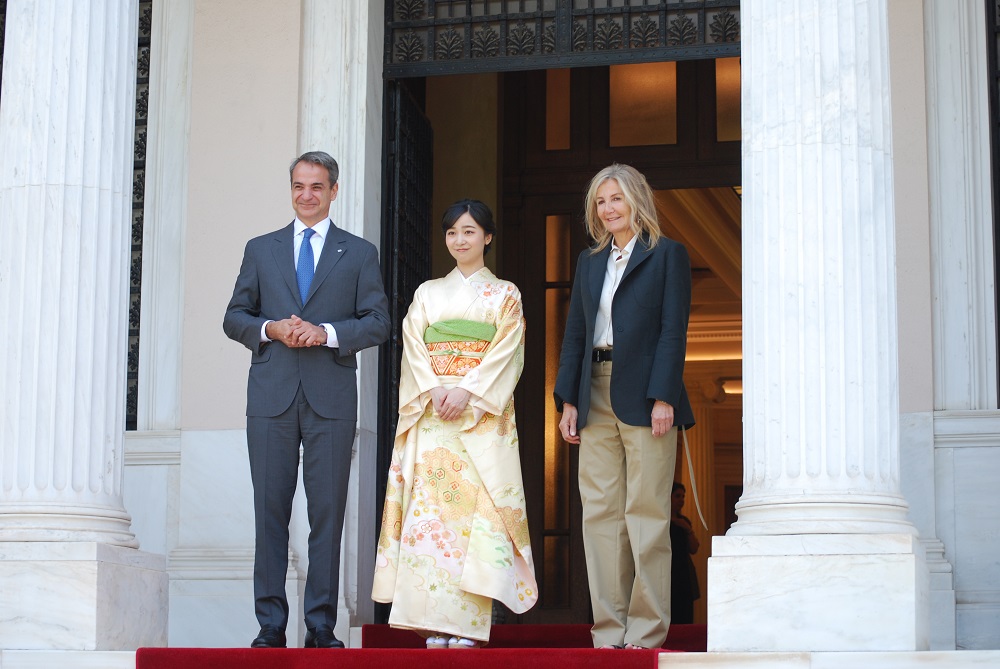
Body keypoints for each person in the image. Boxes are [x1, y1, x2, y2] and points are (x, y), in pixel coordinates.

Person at [223, 151, 391, 649]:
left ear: (333, 191)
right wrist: (270, 328)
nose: (306, 195)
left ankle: (321, 626)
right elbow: (234, 316)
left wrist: (327, 333)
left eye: (316, 186)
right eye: (298, 186)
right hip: (271, 398)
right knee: (270, 512)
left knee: (328, 515)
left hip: (330, 400)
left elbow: (378, 322)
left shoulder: (358, 253)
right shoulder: (262, 249)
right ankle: (270, 626)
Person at [372, 199, 537, 649]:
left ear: (487, 237)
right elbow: (413, 347)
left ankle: (466, 625)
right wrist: (434, 389)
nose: (459, 240)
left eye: (469, 232)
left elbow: (508, 350)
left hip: (479, 418)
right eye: (452, 233)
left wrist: (467, 390)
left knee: (477, 518)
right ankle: (434, 623)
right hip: (434, 416)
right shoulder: (427, 293)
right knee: (432, 518)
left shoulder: (506, 294)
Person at [554, 163, 694, 650]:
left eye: (616, 198)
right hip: (592, 389)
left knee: (647, 514)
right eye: (600, 201)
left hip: (645, 392)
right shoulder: (589, 262)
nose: (608, 208)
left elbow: (674, 331)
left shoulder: (667, 255)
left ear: (636, 201)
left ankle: (647, 632)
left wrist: (664, 395)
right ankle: (608, 631)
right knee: (600, 517)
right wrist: (568, 398)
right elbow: (575, 333)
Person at [670, 482, 701, 624]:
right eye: (677, 496)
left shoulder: (685, 522)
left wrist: (688, 529)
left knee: (685, 614)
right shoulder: (659, 521)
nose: (681, 500)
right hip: (667, 571)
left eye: (683, 496)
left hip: (684, 573)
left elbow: (694, 548)